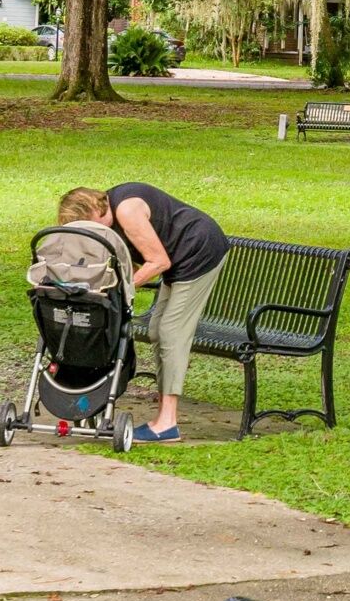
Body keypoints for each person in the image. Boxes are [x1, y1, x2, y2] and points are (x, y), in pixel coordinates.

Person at [63, 179, 227, 446]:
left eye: (89, 225)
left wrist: (118, 286)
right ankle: (165, 404)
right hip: (179, 259)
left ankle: (167, 423)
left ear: (96, 210)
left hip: (199, 251)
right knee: (155, 330)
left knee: (171, 333)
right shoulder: (108, 216)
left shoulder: (127, 210)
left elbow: (159, 261)